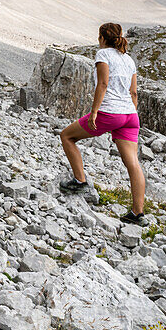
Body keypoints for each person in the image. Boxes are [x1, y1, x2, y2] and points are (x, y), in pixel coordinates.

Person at [58, 22, 146, 225]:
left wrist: (95, 111)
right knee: (133, 163)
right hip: (130, 116)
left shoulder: (103, 55)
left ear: (101, 38)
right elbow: (134, 93)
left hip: (109, 112)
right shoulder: (129, 60)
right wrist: (129, 111)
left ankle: (80, 180)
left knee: (67, 136)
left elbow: (103, 83)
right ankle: (137, 213)